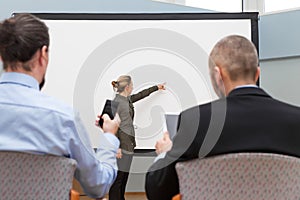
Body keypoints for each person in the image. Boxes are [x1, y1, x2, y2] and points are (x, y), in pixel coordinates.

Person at [145, 35, 300, 200]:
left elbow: (157, 190)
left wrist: (165, 153)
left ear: (218, 75)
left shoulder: (195, 121)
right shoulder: (296, 120)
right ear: (257, 73)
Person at [0, 13, 120, 199]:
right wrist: (109, 138)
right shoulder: (64, 118)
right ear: (43, 54)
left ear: (2, 55)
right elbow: (98, 186)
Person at [108, 75, 165, 200]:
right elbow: (113, 127)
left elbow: (140, 95)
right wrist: (116, 147)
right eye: (132, 85)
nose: (133, 87)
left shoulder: (127, 100)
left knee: (124, 177)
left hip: (129, 145)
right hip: (121, 146)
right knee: (118, 178)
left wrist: (156, 87)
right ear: (127, 87)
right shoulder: (117, 103)